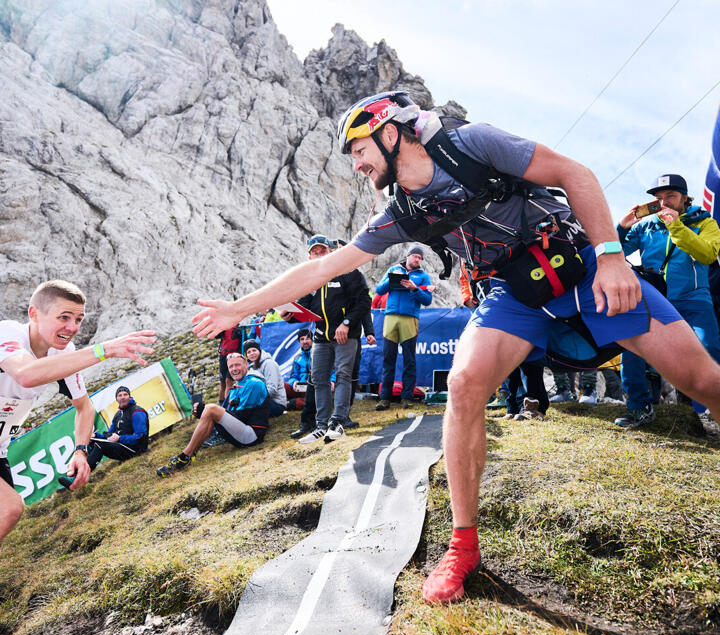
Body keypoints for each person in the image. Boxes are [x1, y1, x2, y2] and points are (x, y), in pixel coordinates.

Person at [191, 91, 720, 605]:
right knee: (464, 385)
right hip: (515, 294)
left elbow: (574, 173)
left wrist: (611, 258)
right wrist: (239, 308)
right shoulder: (401, 214)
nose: (355, 165)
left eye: (359, 150)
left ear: (391, 134)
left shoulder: (474, 143)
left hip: (581, 265)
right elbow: (326, 266)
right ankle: (463, 546)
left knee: (701, 380)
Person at [0, 280, 155, 543]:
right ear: (34, 314)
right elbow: (26, 375)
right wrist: (103, 350)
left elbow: (84, 407)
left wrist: (81, 451)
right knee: (10, 509)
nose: (72, 328)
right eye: (64, 317)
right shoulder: (8, 333)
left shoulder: (65, 353)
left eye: (78, 319)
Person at [616, 173, 720, 427]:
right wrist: (622, 228)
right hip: (656, 301)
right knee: (631, 349)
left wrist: (676, 226)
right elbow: (614, 254)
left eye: (671, 196)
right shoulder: (645, 226)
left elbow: (707, 255)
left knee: (710, 350)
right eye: (658, 198)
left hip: (695, 300)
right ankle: (639, 408)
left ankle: (707, 414)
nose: (664, 202)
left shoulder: (706, 223)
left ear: (685, 198)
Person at [283, 234, 371, 444]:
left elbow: (364, 301)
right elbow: (304, 306)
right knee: (318, 378)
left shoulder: (348, 271)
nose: (320, 254)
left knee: (342, 375)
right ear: (310, 256)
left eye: (323, 250)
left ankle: (338, 423)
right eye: (315, 252)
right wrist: (289, 315)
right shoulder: (311, 278)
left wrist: (347, 323)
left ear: (331, 251)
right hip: (321, 337)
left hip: (345, 335)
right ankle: (321, 426)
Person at [156, 353, 269, 477]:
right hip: (242, 433)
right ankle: (189, 454)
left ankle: (184, 457)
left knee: (211, 409)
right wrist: (202, 412)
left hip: (252, 436)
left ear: (246, 364)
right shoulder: (237, 386)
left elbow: (241, 417)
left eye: (237, 365)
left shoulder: (253, 383)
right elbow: (226, 415)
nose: (234, 369)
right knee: (209, 410)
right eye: (231, 367)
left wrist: (208, 410)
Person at [375, 247, 433, 410]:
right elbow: (379, 290)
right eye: (415, 256)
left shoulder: (423, 276)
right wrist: (394, 280)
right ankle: (385, 398)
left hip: (410, 318)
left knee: (409, 359)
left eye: (420, 258)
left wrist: (414, 288)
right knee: (388, 358)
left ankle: (407, 397)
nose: (417, 260)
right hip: (391, 317)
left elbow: (427, 300)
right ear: (407, 256)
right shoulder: (394, 269)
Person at [86, 386, 149, 470]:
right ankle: (77, 472)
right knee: (92, 441)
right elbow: (109, 437)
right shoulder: (118, 415)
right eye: (120, 395)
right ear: (116, 399)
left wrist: (120, 438)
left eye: (125, 394)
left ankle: (81, 475)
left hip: (136, 450)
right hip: (122, 446)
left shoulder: (137, 412)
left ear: (129, 397)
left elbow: (141, 437)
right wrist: (95, 436)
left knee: (100, 445)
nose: (122, 397)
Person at [243, 339, 287, 416]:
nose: (252, 353)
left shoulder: (269, 364)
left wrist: (255, 398)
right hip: (261, 400)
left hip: (276, 403)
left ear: (259, 351)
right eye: (249, 352)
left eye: (254, 350)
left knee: (247, 409)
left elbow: (272, 389)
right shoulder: (250, 367)